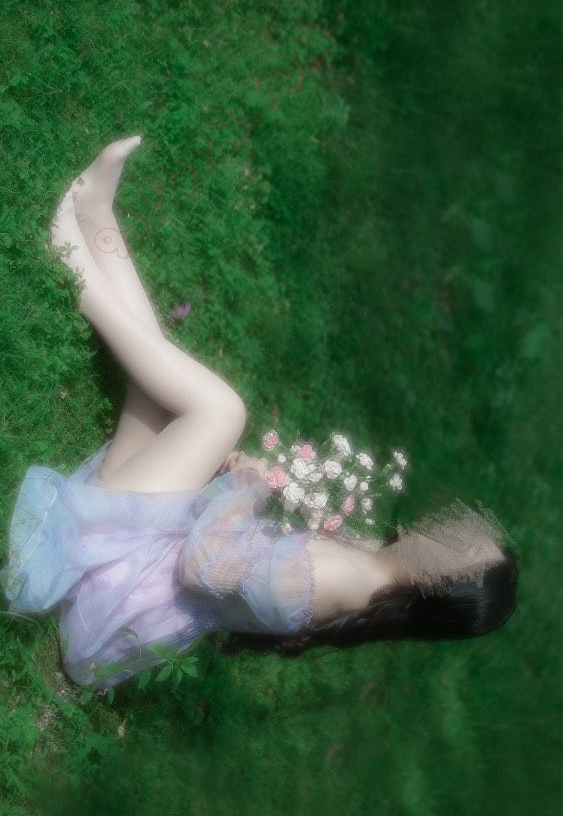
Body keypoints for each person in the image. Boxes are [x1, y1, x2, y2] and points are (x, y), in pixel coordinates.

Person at [1, 137, 519, 691]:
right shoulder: (374, 564)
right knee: (158, 390)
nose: (453, 527)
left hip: (123, 583)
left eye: (461, 549)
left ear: (443, 588)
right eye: (467, 530)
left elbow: (201, 568)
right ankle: (97, 218)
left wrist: (245, 488)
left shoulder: (341, 582)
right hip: (147, 553)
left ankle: (69, 256)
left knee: (220, 410)